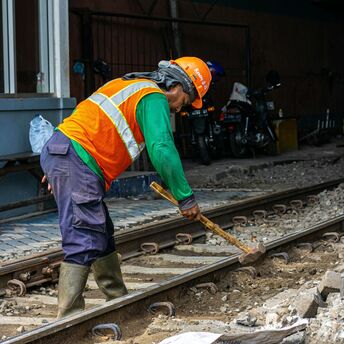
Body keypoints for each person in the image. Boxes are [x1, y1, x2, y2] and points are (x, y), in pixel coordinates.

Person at [40, 56, 212, 318]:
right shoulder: (152, 97)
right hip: (75, 157)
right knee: (84, 236)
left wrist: (59, 165)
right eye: (185, 102)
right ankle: (67, 321)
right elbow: (162, 148)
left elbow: (85, 119)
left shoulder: (129, 84)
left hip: (66, 152)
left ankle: (117, 299)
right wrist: (185, 197)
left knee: (102, 231)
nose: (180, 109)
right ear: (177, 86)